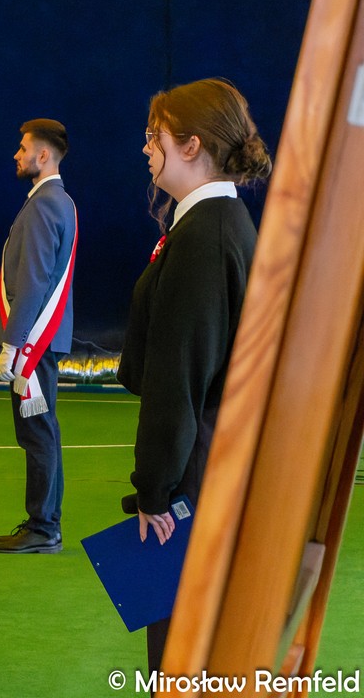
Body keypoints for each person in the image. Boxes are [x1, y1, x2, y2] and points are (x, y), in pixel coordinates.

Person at [116, 78, 272, 674]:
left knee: (180, 648)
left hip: (196, 470)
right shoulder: (213, 223)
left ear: (191, 145)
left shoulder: (205, 236)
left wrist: (155, 489)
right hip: (207, 459)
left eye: (154, 136)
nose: (145, 148)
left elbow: (178, 376)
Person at [0, 119, 77, 555]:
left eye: (24, 149)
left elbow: (34, 280)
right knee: (44, 431)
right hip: (41, 339)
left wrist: (12, 343)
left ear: (44, 155)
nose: (17, 155)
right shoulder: (59, 201)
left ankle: (43, 526)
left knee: (36, 434)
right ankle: (46, 522)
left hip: (32, 343)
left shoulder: (44, 205)